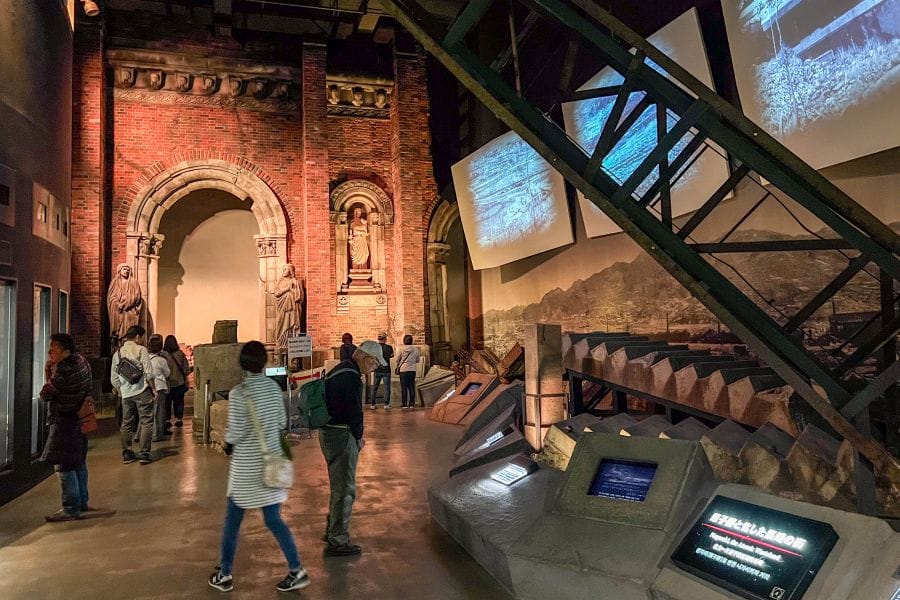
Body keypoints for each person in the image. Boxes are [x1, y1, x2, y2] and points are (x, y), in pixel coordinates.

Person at [209, 341, 309, 593]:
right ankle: (297, 569)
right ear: (264, 362)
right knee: (274, 520)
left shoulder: (239, 393)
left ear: (242, 363)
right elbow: (280, 422)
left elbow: (234, 433)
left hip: (246, 469)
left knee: (232, 523)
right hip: (272, 464)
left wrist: (228, 444)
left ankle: (225, 573)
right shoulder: (274, 390)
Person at [321, 340, 385, 556]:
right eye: (375, 364)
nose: (374, 368)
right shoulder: (351, 377)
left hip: (329, 431)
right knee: (345, 488)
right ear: (367, 358)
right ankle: (337, 540)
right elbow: (354, 411)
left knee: (338, 484)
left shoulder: (341, 369)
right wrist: (358, 437)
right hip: (341, 434)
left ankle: (332, 529)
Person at [40, 333, 93, 522]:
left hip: (64, 421)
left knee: (63, 464)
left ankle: (70, 506)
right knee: (78, 461)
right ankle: (82, 500)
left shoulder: (64, 371)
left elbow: (46, 394)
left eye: (53, 349)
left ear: (65, 351)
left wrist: (49, 374)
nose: (49, 353)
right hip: (79, 418)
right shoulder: (82, 362)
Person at [111, 325, 155, 464]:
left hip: (126, 394)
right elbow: (149, 372)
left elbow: (114, 378)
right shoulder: (141, 350)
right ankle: (144, 454)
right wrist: (153, 388)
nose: (142, 340)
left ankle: (127, 454)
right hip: (142, 390)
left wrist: (121, 391)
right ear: (137, 336)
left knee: (126, 424)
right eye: (142, 337)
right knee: (146, 421)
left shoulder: (117, 354)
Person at [106, 263, 142, 345]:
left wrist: (127, 302)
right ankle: (118, 345)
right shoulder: (114, 282)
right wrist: (117, 304)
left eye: (128, 270)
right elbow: (111, 298)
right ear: (120, 270)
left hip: (129, 312)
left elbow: (137, 296)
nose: (126, 271)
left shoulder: (133, 282)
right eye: (124, 269)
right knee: (119, 333)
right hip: (118, 312)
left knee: (129, 331)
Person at [164, 335, 192, 428]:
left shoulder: (163, 355)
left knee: (167, 402)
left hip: (167, 383)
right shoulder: (180, 354)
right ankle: (179, 419)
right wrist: (187, 380)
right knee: (179, 401)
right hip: (179, 382)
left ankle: (167, 419)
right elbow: (186, 368)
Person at [147, 334, 171, 443]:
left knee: (147, 413)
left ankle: (142, 434)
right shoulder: (161, 360)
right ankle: (157, 434)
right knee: (159, 412)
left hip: (147, 387)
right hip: (159, 387)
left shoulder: (145, 359)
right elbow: (167, 374)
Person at [274, 264, 304, 349]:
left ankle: (292, 343)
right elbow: (277, 293)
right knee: (281, 323)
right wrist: (288, 288)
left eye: (286, 269)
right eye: (283, 269)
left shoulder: (296, 281)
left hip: (293, 308)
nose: (283, 271)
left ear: (291, 271)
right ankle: (281, 342)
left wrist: (295, 287)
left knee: (293, 324)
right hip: (282, 307)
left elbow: (300, 296)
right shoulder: (280, 281)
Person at [368, 332, 393, 410]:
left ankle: (372, 404)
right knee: (387, 388)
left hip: (377, 369)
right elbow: (392, 355)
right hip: (386, 370)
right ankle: (386, 404)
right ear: (385, 339)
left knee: (374, 387)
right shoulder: (389, 347)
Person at [396, 335, 420, 409]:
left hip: (403, 370)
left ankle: (404, 403)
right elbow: (417, 360)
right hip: (412, 370)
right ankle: (412, 403)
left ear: (404, 341)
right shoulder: (416, 350)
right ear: (411, 340)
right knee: (411, 386)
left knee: (404, 387)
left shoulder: (401, 349)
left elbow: (397, 359)